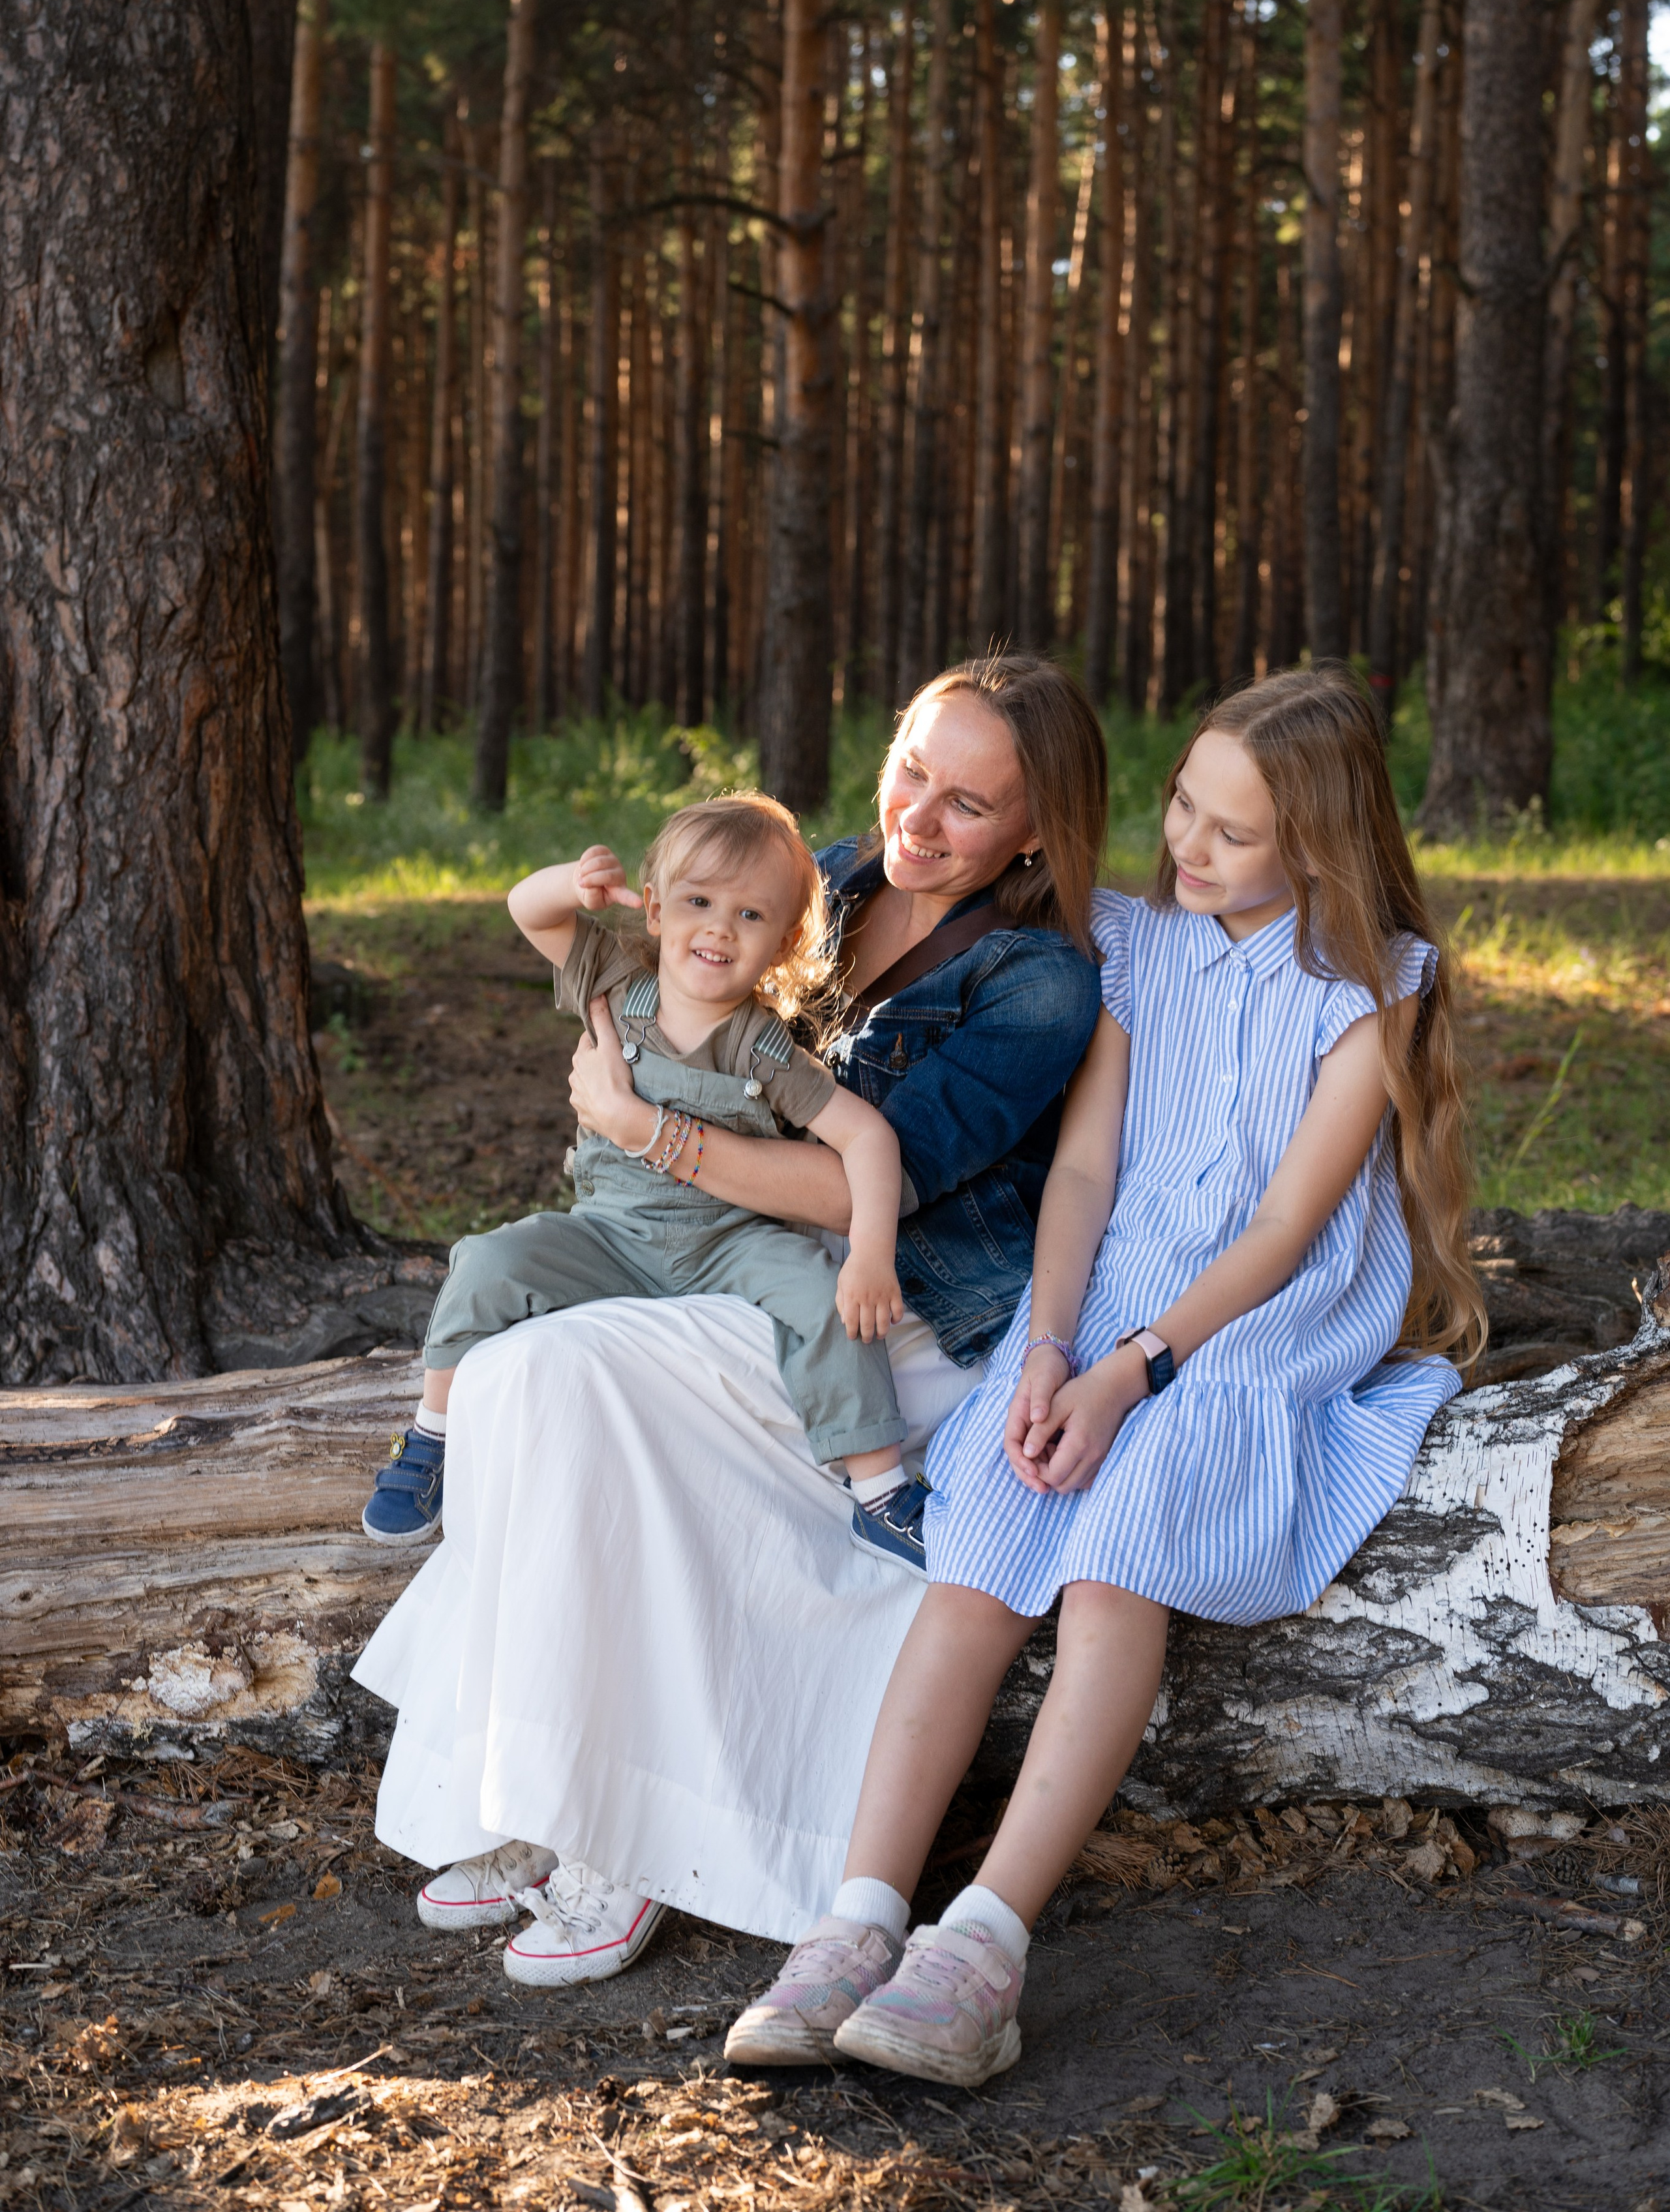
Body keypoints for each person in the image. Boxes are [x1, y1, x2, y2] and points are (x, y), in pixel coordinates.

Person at [725, 663, 1485, 2089]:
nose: (1186, 845)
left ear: (1319, 846)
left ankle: (982, 1943)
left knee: (1111, 1563)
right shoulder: (1137, 950)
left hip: (1248, 1323)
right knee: (974, 1562)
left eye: (1231, 833)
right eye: (1183, 805)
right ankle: (855, 1919)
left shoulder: (1370, 987)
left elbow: (1285, 1227)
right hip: (1106, 1295)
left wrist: (1133, 1372)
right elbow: (1083, 1173)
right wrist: (1050, 1345)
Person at [352, 652, 1108, 1984]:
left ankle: (635, 1833)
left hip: (883, 1309)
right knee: (513, 1371)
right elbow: (652, 979)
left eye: (970, 805)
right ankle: (533, 1787)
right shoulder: (824, 878)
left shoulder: (1036, 981)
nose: (919, 818)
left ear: (1037, 829)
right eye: (912, 772)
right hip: (717, 1257)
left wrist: (642, 1129)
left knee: (569, 1379)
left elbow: (870, 1178)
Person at [361, 792, 920, 1560]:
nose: (719, 927)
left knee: (827, 1298)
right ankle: (433, 1435)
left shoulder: (764, 1050)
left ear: (785, 941)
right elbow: (528, 910)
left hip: (730, 1242)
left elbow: (867, 1136)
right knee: (486, 1261)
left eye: (750, 914)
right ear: (654, 909)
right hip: (610, 1233)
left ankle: (880, 1490)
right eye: (698, 901)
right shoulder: (620, 984)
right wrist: (571, 883)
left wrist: (871, 1254)